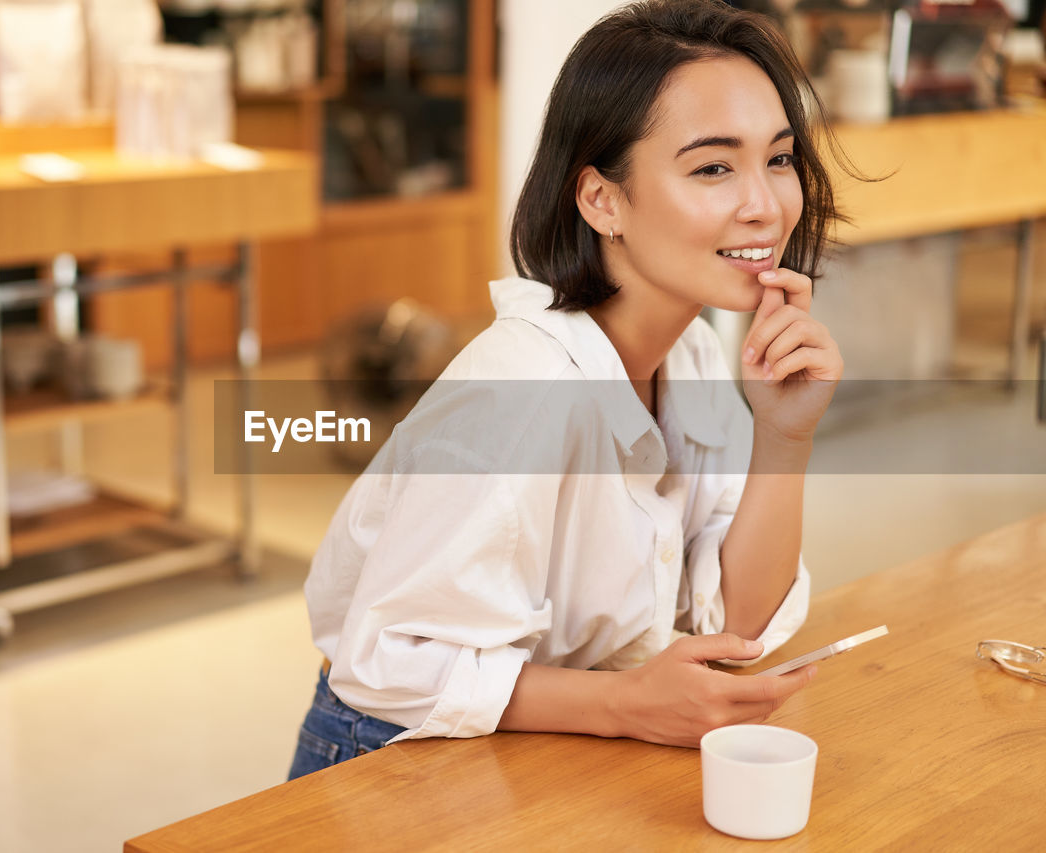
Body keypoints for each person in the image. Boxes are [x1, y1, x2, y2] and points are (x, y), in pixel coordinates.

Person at [288, 0, 847, 780]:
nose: (766, 203)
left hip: (552, 745)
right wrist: (624, 705)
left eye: (779, 158)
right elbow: (386, 663)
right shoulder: (525, 385)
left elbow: (739, 624)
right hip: (395, 756)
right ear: (601, 200)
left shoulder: (687, 355)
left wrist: (786, 436)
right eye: (714, 166)